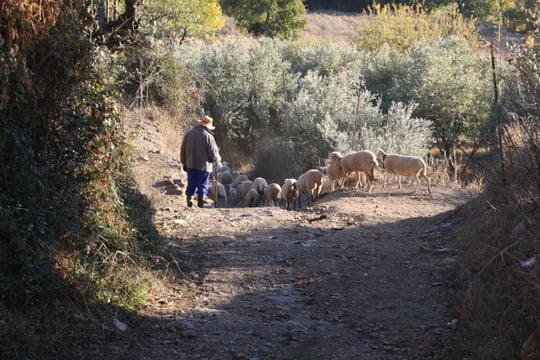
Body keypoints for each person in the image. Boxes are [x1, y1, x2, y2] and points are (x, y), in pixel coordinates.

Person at [180, 115, 222, 208]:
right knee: (202, 184)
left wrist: (184, 162)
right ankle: (201, 203)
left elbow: (183, 149)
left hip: (190, 164)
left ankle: (189, 201)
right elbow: (213, 153)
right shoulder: (208, 136)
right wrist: (217, 160)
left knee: (191, 182)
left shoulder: (189, 134)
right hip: (204, 166)